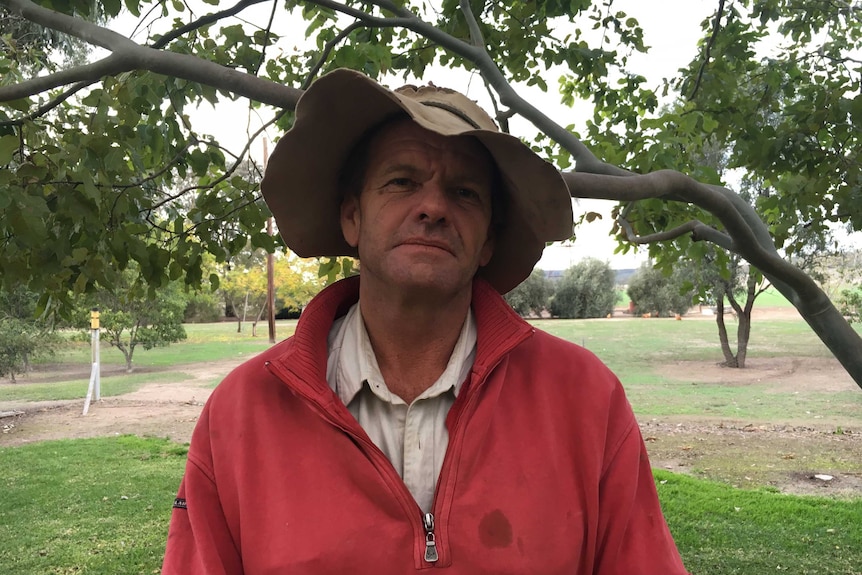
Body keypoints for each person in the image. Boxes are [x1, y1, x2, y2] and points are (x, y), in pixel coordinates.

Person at [162, 68, 689, 575]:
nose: (433, 207)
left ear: (487, 241)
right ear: (352, 216)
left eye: (464, 192)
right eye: (401, 181)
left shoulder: (585, 400)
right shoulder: (241, 414)